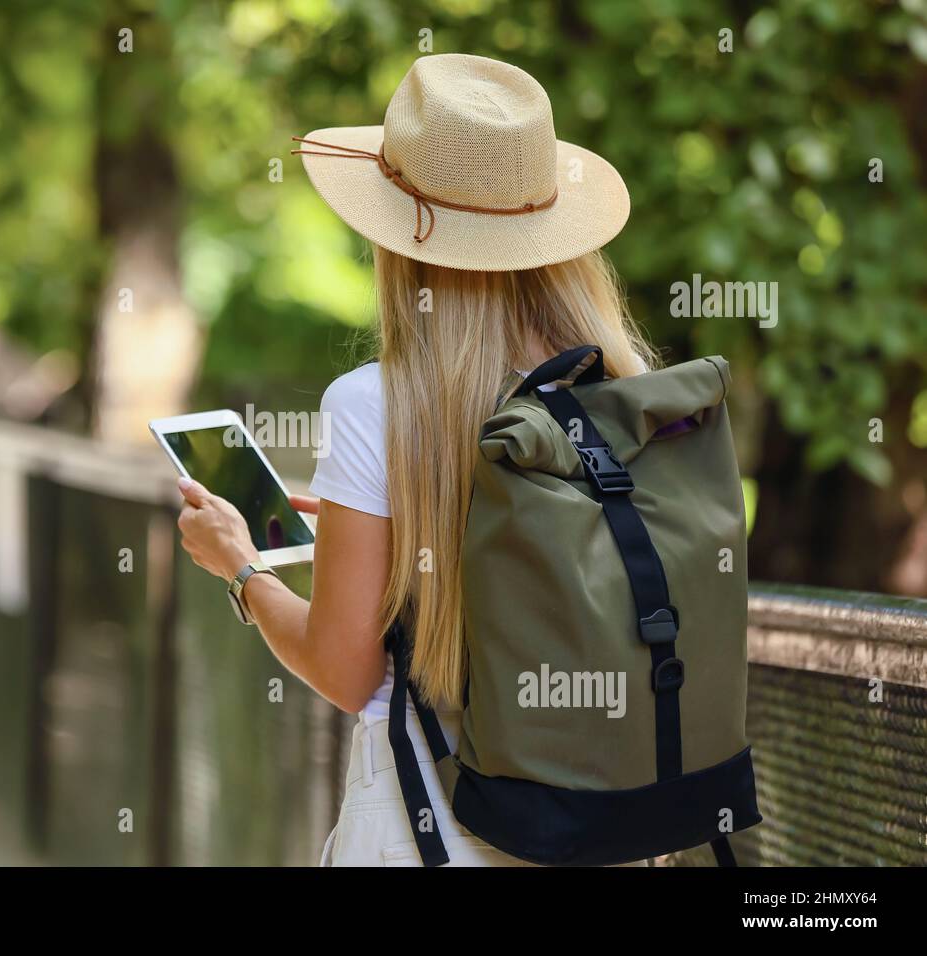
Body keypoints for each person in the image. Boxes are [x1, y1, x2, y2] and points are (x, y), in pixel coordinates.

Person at [175, 53, 656, 866]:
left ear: (398, 239)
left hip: (427, 820)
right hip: (602, 822)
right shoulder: (628, 393)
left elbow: (347, 672)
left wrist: (242, 572)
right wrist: (374, 531)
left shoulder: (375, 404)